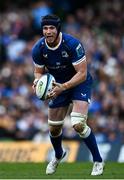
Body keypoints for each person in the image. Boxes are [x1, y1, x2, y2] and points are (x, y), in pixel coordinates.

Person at [32, 14, 104, 176]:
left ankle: (98, 161)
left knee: (78, 123)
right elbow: (38, 71)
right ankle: (58, 155)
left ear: (58, 30)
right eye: (45, 28)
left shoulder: (72, 44)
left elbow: (82, 73)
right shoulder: (38, 48)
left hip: (78, 83)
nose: (48, 31)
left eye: (51, 28)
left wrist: (63, 87)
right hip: (57, 85)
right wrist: (37, 82)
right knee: (54, 128)